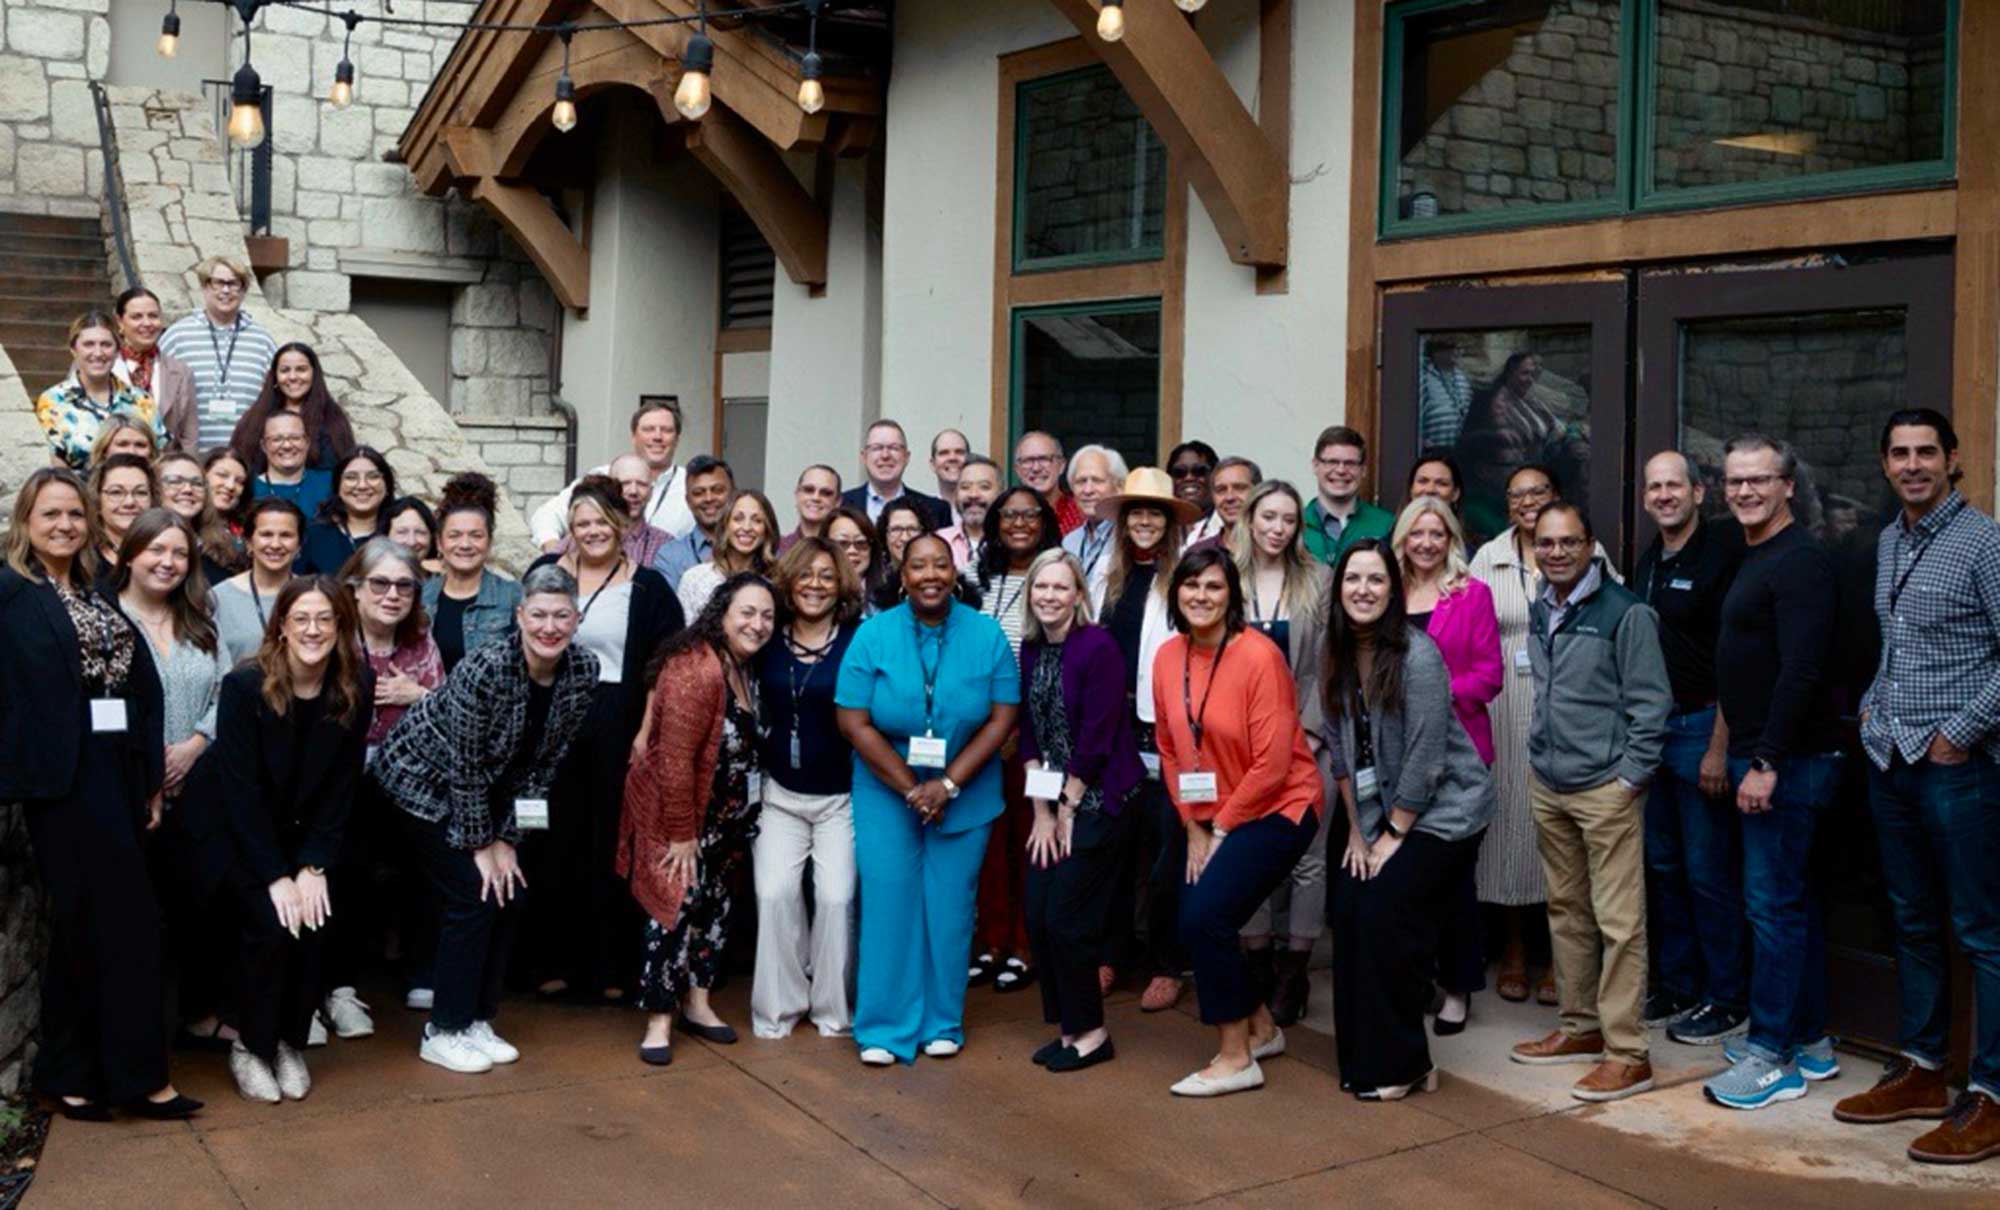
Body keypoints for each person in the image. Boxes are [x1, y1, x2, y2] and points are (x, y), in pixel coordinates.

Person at [0, 469, 200, 1122]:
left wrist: (146, 780)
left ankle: (85, 1075)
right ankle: (130, 1079)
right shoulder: (9, 592)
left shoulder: (94, 590)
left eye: (74, 515)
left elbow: (140, 686)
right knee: (117, 922)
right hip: (61, 780)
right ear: (26, 521)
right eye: (51, 514)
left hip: (116, 773)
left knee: (98, 926)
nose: (64, 525)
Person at [1838, 409, 2000, 1163]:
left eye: (1926, 452)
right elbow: (1899, 644)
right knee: (1911, 921)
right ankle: (1925, 1072)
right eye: (1899, 452)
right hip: (1889, 761)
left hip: (1955, 769)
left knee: (1981, 932)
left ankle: (1992, 1095)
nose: (1912, 465)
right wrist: (1874, 699)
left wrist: (1958, 733)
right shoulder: (1891, 541)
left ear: (1952, 459)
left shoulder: (1984, 543)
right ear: (1885, 463)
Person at [370, 564, 601, 1074]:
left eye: (561, 616)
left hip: (492, 792)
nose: (549, 627)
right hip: (419, 782)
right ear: (519, 616)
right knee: (473, 889)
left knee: (510, 891)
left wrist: (510, 838)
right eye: (538, 615)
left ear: (577, 618)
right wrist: (483, 843)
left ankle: (477, 1018)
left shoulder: (583, 671)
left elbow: (547, 762)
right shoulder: (487, 668)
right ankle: (444, 1028)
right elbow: (465, 764)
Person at [836, 533, 1020, 1064]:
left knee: (949, 909)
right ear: (902, 573)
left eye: (941, 564)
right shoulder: (873, 634)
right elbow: (852, 720)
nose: (931, 575)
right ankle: (883, 1028)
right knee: (890, 901)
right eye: (919, 566)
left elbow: (1002, 717)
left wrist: (949, 785)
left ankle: (942, 1020)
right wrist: (912, 787)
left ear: (955, 571)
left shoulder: (986, 634)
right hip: (886, 790)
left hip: (966, 792)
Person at [1508, 502, 1669, 1105]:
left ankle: (1628, 1054)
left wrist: (1629, 780)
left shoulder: (1625, 614)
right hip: (1549, 782)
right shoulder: (1540, 607)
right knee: (1566, 909)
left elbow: (1651, 706)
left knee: (1620, 924)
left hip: (1605, 788)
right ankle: (1579, 1027)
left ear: (1590, 544)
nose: (1555, 552)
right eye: (1545, 544)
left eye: (1567, 542)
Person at [1701, 434, 1845, 1111]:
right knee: (1790, 903)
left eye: (1759, 480)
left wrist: (1764, 762)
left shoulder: (1804, 562)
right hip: (1764, 755)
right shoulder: (1755, 553)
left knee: (1773, 909)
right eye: (1735, 481)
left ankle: (1773, 1055)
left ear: (1790, 485)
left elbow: (1802, 672)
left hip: (1787, 763)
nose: (1745, 491)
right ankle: (1810, 1039)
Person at [1325, 539, 1495, 1101]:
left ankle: (1406, 1064)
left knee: (1382, 913)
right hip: (1380, 812)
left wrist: (1393, 835)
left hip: (1445, 812)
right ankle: (1361, 1060)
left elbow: (1426, 760)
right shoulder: (1338, 652)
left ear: (1392, 591)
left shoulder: (1418, 656)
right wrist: (1356, 829)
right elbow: (1342, 753)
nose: (1363, 590)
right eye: (1353, 579)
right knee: (1349, 907)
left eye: (1376, 580)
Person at [1152, 547, 1322, 1097]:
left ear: (1233, 596)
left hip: (1280, 806)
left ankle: (1235, 1057)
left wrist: (1221, 828)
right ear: (1176, 593)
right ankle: (1263, 1027)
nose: (1201, 596)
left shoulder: (1258, 656)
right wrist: (1194, 826)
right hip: (1210, 816)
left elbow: (1273, 764)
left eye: (1214, 587)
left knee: (1206, 918)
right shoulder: (1166, 656)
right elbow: (1170, 749)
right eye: (1191, 585)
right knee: (1198, 917)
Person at [215, 577, 372, 1103]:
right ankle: (250, 1047)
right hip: (243, 836)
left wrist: (313, 866)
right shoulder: (244, 688)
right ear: (281, 625)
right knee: (270, 923)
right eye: (301, 618)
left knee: (313, 916)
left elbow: (344, 782)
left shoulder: (355, 684)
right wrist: (276, 875)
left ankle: (287, 1041)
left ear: (341, 626)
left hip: (310, 840)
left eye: (325, 619)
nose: (313, 629)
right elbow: (239, 792)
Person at [525, 481, 683, 1002]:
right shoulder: (544, 578)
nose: (591, 531)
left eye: (600, 522)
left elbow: (664, 667)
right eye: (581, 523)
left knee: (611, 842)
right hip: (554, 720)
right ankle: (548, 962)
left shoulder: (651, 587)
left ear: (621, 525)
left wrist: (644, 731)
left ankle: (610, 967)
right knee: (552, 840)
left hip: (619, 723)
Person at [1468, 463, 1611, 1004]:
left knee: (1559, 833)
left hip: (1567, 705)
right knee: (1509, 827)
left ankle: (1558, 954)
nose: (1528, 502)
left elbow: (1613, 613)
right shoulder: (1488, 557)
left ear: (1556, 496)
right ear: (1507, 506)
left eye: (1539, 492)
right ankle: (1513, 951)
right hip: (1504, 706)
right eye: (1517, 495)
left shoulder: (1582, 551)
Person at [621, 575, 776, 1064]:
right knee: (672, 910)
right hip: (684, 820)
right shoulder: (696, 666)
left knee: (714, 911)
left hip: (728, 821)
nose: (758, 624)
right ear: (721, 614)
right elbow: (674, 759)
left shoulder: (744, 667)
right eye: (747, 613)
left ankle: (699, 1004)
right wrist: (683, 834)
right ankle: (659, 1021)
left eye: (767, 615)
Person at [1629, 451, 1748, 1047]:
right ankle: (1677, 984)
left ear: (1700, 493)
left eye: (1675, 484)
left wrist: (1718, 747)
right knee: (1666, 867)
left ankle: (1726, 996)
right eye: (1655, 487)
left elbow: (1736, 655)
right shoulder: (1649, 560)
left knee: (1708, 872)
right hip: (1656, 731)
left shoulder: (1722, 553)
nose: (1665, 495)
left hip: (1702, 729)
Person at [1018, 549, 1144, 1073]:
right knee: (1039, 912)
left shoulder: (1098, 646)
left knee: (1067, 918)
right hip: (1056, 800)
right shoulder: (1029, 649)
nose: (1049, 596)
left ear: (1078, 595)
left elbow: (1096, 735)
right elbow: (1029, 730)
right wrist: (1043, 812)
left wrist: (1068, 803)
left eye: (1059, 588)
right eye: (1040, 587)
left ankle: (1093, 1034)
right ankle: (1068, 1028)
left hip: (1102, 800)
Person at [115, 509, 233, 1056]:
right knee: (139, 918)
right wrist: (148, 769)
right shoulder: (109, 620)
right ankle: (145, 1037)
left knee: (200, 905)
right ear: (130, 554)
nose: (167, 562)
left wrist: (193, 746)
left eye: (179, 553)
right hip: (130, 791)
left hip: (201, 785)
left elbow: (228, 695)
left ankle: (200, 1013)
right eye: (156, 550)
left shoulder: (199, 624)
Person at [1390, 496, 1502, 1036]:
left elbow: (1489, 675)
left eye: (1437, 533)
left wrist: (1429, 697)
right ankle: (1415, 979)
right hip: (1399, 758)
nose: (1427, 543)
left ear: (1451, 538)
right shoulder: (1386, 593)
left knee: (1455, 880)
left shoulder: (1471, 595)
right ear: (1404, 538)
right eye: (1418, 533)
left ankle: (1457, 987)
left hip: (1460, 757)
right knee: (1409, 882)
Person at [1227, 480, 1333, 1025]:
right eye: (1268, 516)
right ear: (1250, 519)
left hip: (1307, 745)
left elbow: (1330, 663)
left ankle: (1295, 970)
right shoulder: (1228, 578)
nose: (1277, 528)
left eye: (1288, 519)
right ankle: (1258, 962)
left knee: (1308, 861)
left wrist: (1310, 735)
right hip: (1241, 751)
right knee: (1251, 855)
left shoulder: (1319, 580)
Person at [1094, 467, 1199, 1012]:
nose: (1144, 521)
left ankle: (1167, 962)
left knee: (1165, 856)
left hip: (1167, 737)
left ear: (1168, 522)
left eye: (1154, 513)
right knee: (1114, 850)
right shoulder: (1105, 577)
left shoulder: (1184, 579)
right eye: (1135, 512)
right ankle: (1111, 954)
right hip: (1113, 738)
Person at [751, 539, 862, 1039]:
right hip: (780, 794)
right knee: (774, 895)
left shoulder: (859, 640)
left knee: (837, 900)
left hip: (842, 796)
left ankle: (832, 1012)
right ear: (789, 582)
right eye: (806, 575)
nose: (815, 585)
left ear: (841, 586)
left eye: (826, 576)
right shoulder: (766, 639)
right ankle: (778, 1010)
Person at [333, 538, 445, 1035]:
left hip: (411, 777)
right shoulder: (333, 635)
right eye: (379, 583)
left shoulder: (420, 641)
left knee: (425, 865)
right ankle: (338, 988)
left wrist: (415, 693)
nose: (392, 594)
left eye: (404, 585)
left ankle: (424, 970)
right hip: (339, 777)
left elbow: (446, 709)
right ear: (354, 588)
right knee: (345, 874)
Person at [969, 486, 1061, 994]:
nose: (1020, 523)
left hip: (1037, 730)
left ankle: (1026, 945)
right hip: (981, 730)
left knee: (1031, 840)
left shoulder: (1057, 574)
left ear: (1044, 520)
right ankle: (991, 941)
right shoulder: (976, 579)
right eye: (1010, 514)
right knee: (989, 842)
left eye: (1030, 514)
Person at [531, 398, 694, 549]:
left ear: (677, 439)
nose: (657, 437)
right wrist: (554, 552)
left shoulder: (692, 486)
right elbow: (547, 515)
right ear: (634, 437)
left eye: (666, 430)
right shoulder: (602, 477)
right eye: (648, 429)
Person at [158, 256, 279, 450]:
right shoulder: (177, 336)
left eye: (234, 284)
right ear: (205, 287)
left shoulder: (263, 341)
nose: (226, 290)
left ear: (244, 290)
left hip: (245, 456)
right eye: (219, 283)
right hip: (190, 456)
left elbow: (275, 398)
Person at [36, 310, 160, 472]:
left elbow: (159, 455)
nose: (98, 353)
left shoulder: (141, 400)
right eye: (89, 344)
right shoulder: (53, 401)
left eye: (106, 345)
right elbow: (52, 459)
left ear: (117, 351)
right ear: (74, 350)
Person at [424, 473, 524, 673]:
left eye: (476, 536)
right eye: (454, 535)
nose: (465, 544)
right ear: (439, 543)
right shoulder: (421, 597)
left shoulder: (512, 596)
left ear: (489, 542)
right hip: (429, 702)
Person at [228, 343, 358, 476]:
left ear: (314, 374)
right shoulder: (254, 420)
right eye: (285, 370)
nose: (293, 377)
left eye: (301, 369)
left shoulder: (333, 420)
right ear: (275, 376)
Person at [215, 498, 306, 666]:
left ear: (299, 545)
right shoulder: (218, 598)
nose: (276, 544)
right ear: (249, 541)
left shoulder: (312, 596)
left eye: (286, 535)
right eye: (266, 534)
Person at [112, 287, 197, 451]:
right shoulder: (100, 366)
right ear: (120, 322)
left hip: (163, 470)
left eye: (153, 316)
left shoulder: (181, 372)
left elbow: (189, 437)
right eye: (137, 317)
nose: (147, 323)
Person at [679, 489, 780, 618]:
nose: (747, 527)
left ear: (767, 530)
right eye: (738, 519)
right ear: (725, 525)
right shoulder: (694, 580)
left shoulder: (777, 583)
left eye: (757, 520)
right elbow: (684, 635)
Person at [1304, 426, 1394, 566]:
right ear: (1315, 465)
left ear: (1363, 470)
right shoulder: (1297, 524)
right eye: (1332, 462)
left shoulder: (1386, 525)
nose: (1341, 470)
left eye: (1350, 463)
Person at [299, 448, 395, 575]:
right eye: (351, 477)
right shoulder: (313, 535)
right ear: (338, 486)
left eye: (373, 477)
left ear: (387, 485)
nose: (362, 486)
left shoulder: (398, 534)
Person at [842, 419, 951, 529]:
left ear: (906, 457)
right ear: (864, 457)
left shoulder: (936, 510)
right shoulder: (841, 504)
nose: (885, 455)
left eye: (894, 448)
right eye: (877, 448)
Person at [654, 456, 735, 589]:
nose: (709, 498)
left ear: (733, 493)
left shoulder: (754, 546)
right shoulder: (671, 556)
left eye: (718, 490)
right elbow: (666, 609)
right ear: (688, 501)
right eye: (698, 493)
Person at [1061, 444, 1127, 597]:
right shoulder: (1070, 542)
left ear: (1119, 487)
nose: (1088, 490)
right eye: (1081, 481)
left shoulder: (1128, 539)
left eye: (1097, 481)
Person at [251, 410, 333, 522]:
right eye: (277, 439)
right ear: (264, 446)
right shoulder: (249, 489)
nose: (287, 445)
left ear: (307, 443)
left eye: (295, 438)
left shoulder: (329, 483)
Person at [89, 454, 158, 578]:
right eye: (116, 492)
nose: (129, 502)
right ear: (98, 500)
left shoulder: (167, 555)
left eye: (141, 493)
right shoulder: (83, 559)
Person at [939, 456, 1002, 572]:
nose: (973, 495)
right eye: (965, 487)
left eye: (984, 487)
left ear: (1001, 493)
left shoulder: (1012, 543)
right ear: (956, 494)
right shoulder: (939, 541)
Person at [1015, 431, 1084, 535]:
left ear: (1061, 466)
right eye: (1028, 460)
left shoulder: (1081, 514)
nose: (1036, 468)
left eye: (1044, 459)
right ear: (1017, 470)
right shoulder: (1007, 516)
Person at [1186, 457, 1262, 551]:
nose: (1229, 497)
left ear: (1258, 492)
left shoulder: (1275, 549)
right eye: (1221, 490)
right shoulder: (1198, 553)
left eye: (1239, 488)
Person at [1419, 338, 1473, 451]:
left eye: (1459, 348)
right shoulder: (1423, 377)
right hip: (1433, 452)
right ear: (1436, 351)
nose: (1457, 352)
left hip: (1460, 452)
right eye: (1451, 347)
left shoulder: (1462, 378)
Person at [781, 464, 843, 551]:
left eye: (826, 493)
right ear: (797, 495)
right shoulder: (777, 550)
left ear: (838, 502)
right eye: (808, 490)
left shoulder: (844, 551)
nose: (816, 498)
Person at [385, 497, 442, 575]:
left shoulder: (444, 579)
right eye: (402, 532)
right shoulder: (371, 575)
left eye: (420, 532)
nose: (411, 542)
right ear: (385, 536)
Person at [1166, 441, 1217, 521]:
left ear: (1216, 476)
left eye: (1199, 471)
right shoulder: (1158, 527)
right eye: (1180, 472)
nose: (1189, 478)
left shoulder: (1232, 524)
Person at [930, 429, 970, 520]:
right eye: (944, 453)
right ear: (933, 464)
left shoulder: (983, 510)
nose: (952, 458)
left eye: (959, 452)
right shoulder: (923, 511)